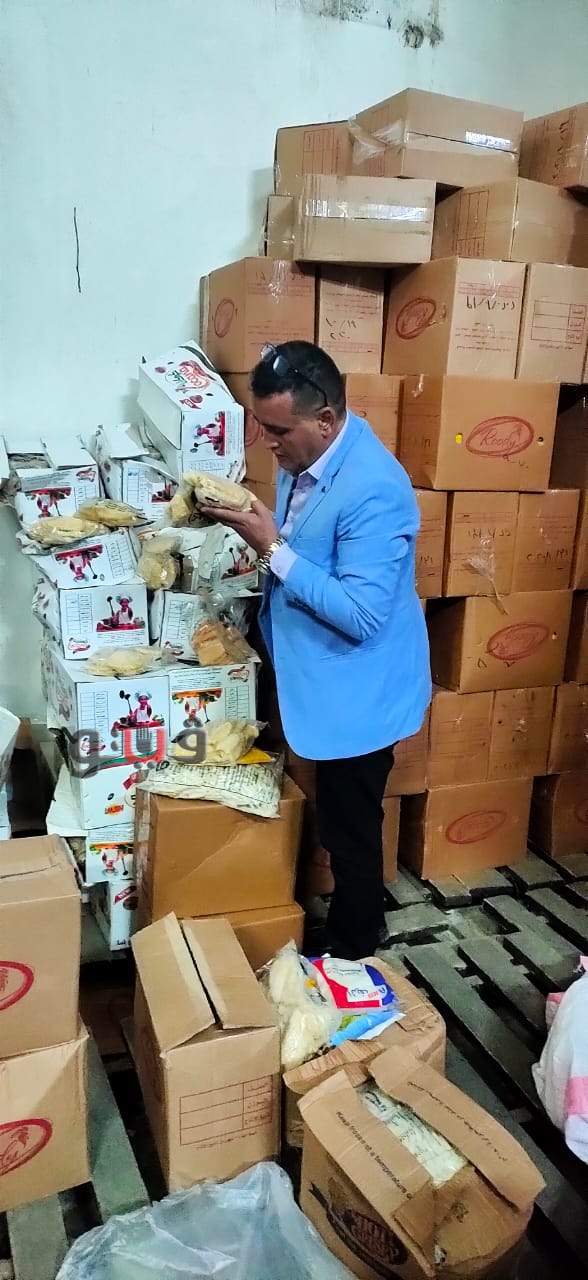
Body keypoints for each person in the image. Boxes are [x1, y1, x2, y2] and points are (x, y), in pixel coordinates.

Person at [202, 340, 431, 959]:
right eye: (261, 427)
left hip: (360, 691)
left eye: (279, 430)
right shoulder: (304, 455)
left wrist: (273, 548)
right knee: (337, 814)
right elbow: (303, 540)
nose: (268, 444)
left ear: (325, 419)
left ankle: (357, 944)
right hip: (318, 675)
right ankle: (352, 922)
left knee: (350, 825)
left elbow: (360, 613)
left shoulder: (375, 489)